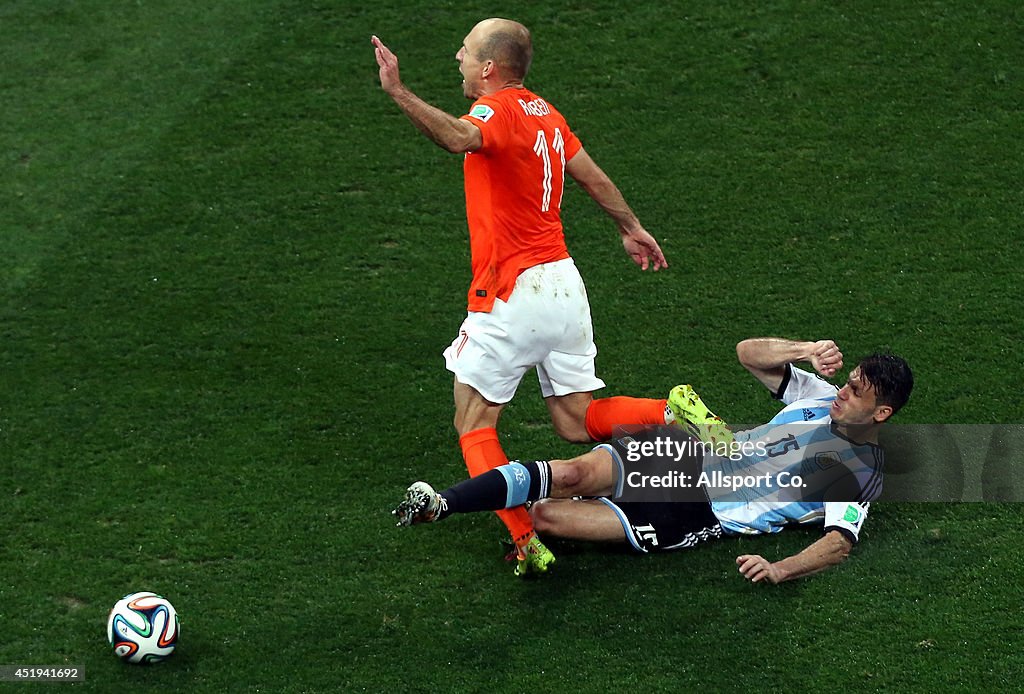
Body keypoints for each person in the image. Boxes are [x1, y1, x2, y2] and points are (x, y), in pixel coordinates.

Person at [372, 19, 673, 576]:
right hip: (565, 284)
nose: (456, 58)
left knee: (475, 424)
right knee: (577, 419)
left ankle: (525, 538)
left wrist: (398, 92)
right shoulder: (547, 114)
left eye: (463, 52)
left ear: (488, 67)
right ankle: (671, 410)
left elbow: (460, 137)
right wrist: (630, 227)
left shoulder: (495, 111)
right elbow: (593, 177)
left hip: (512, 290)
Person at [394, 337, 914, 584]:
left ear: (882, 412)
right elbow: (747, 353)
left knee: (547, 517)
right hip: (690, 456)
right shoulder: (817, 397)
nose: (843, 392)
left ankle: (531, 517)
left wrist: (780, 569)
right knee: (573, 472)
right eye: (848, 381)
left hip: (700, 510)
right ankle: (442, 503)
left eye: (857, 392)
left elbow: (840, 542)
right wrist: (804, 350)